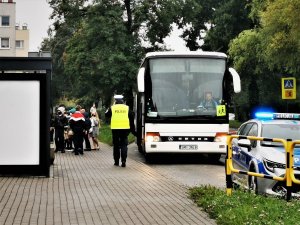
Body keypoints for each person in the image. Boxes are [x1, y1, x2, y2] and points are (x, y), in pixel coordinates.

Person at [105, 95, 136, 167]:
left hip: (115, 129)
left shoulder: (112, 108)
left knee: (116, 145)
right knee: (124, 145)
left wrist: (110, 107)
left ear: (115, 101)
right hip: (125, 129)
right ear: (123, 101)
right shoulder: (127, 108)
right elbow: (132, 117)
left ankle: (116, 161)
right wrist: (133, 130)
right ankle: (124, 161)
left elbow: (106, 115)